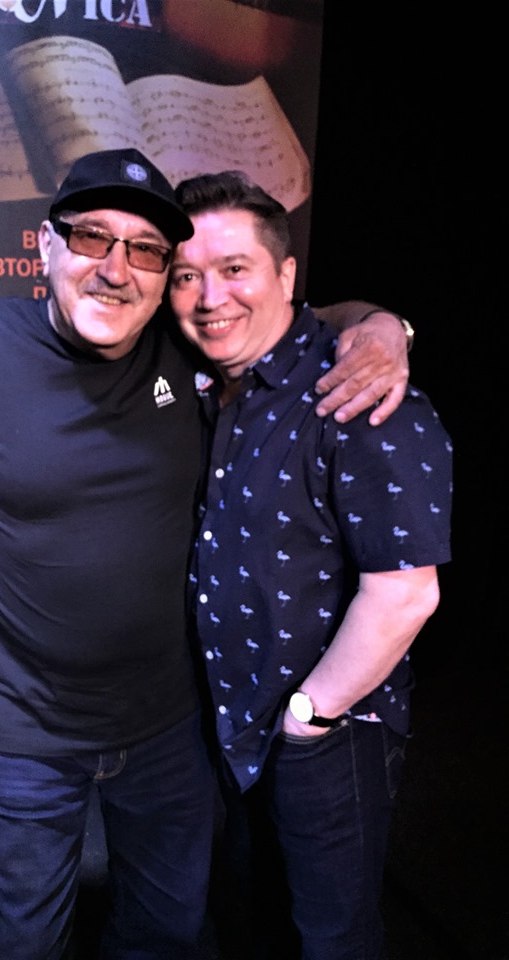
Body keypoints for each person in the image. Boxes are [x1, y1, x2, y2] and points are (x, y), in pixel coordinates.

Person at [0, 148, 410, 960]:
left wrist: (387, 328)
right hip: (25, 731)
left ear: (163, 276)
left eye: (146, 251)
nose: (116, 269)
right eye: (92, 237)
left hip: (169, 729)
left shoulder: (188, 340)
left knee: (165, 934)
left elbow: (313, 318)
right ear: (45, 245)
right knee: (20, 943)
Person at [166, 170, 452, 959]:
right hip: (229, 720)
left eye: (234, 269)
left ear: (286, 275)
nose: (209, 297)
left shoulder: (359, 387)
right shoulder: (210, 385)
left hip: (328, 732)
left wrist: (310, 717)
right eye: (186, 276)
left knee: (332, 939)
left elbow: (406, 595)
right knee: (249, 917)